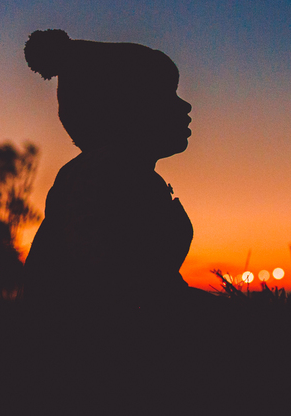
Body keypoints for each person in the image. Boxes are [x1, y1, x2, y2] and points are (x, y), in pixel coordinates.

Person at [23, 29, 204, 308]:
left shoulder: (104, 173)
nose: (186, 105)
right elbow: (122, 294)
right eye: (167, 95)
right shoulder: (112, 179)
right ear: (128, 110)